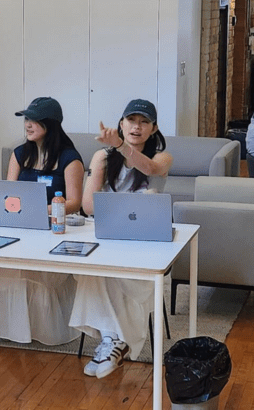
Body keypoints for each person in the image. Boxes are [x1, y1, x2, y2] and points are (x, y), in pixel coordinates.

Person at [73, 98, 172, 378]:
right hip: (108, 237)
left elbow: (150, 170)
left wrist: (119, 145)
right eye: (131, 120)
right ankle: (112, 341)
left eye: (144, 122)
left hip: (146, 243)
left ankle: (112, 342)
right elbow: (88, 206)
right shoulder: (102, 157)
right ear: (121, 124)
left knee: (106, 269)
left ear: (153, 129)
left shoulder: (162, 158)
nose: (136, 127)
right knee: (92, 266)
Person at [0, 97, 85, 346]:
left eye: (34, 120)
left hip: (53, 226)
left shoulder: (70, 158)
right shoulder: (19, 153)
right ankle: (7, 326)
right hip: (20, 223)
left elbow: (74, 202)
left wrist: (40, 208)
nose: (28, 125)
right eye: (26, 119)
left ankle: (43, 328)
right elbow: (9, 193)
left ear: (51, 124)